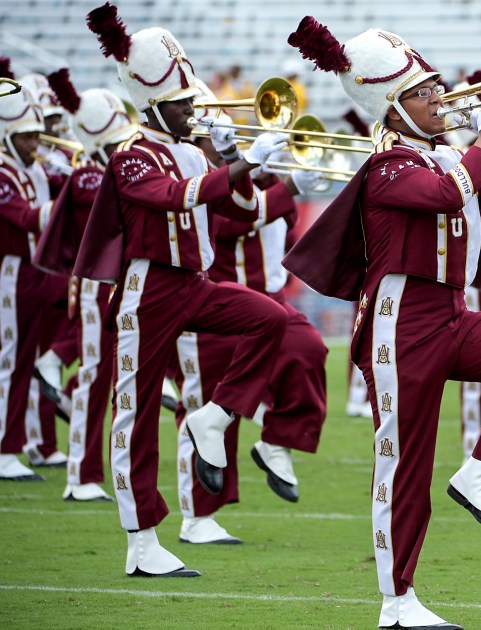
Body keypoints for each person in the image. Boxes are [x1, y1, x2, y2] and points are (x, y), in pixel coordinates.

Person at [283, 17, 481, 629]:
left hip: (452, 311)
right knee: (403, 462)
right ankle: (396, 601)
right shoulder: (387, 164)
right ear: (392, 105)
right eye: (424, 91)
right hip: (398, 322)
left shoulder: (438, 154)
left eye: (437, 86)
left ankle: (480, 471)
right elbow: (447, 192)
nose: (440, 98)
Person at [78, 4, 291, 576]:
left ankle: (216, 418)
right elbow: (177, 198)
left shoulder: (195, 149)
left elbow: (239, 210)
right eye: (181, 102)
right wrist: (237, 163)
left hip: (195, 284)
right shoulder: (130, 155)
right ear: (152, 105)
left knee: (271, 319)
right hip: (148, 290)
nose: (192, 108)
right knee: (135, 412)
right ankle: (141, 540)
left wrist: (242, 162)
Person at [171, 103, 329, 544]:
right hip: (215, 304)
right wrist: (285, 186)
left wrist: (279, 181)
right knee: (210, 406)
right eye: (218, 142)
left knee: (309, 350)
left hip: (270, 298)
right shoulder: (201, 181)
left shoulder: (264, 178)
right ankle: (198, 517)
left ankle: (277, 441)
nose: (228, 148)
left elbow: (284, 228)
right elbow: (228, 223)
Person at [34, 68, 141, 501]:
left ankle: (95, 469)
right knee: (95, 376)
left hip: (116, 284)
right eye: (115, 141)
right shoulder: (88, 177)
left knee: (111, 379)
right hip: (97, 288)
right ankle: (80, 473)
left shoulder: (101, 170)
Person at [0, 71, 57, 482]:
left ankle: (18, 444)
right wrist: (72, 196)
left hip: (35, 270)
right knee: (10, 361)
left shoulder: (34, 169)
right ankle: (5, 448)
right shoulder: (2, 173)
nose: (35, 144)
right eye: (25, 137)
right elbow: (24, 217)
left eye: (36, 136)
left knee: (25, 361)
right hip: (10, 271)